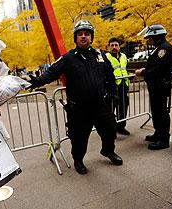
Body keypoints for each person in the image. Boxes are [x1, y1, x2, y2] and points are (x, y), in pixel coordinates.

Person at [28, 20, 123, 175]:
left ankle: (107, 151)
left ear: (91, 37)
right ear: (75, 38)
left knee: (111, 129)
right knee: (79, 139)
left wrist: (113, 93)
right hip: (79, 108)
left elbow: (110, 76)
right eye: (80, 34)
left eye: (87, 34)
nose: (83, 37)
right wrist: (36, 81)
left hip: (100, 105)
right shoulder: (68, 58)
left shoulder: (101, 55)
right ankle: (78, 160)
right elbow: (51, 73)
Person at [135, 24, 172, 150]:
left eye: (150, 38)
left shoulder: (165, 48)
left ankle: (163, 139)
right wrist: (145, 70)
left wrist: (143, 72)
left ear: (157, 37)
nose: (149, 40)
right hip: (155, 86)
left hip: (160, 86)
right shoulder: (159, 48)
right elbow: (154, 66)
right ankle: (158, 133)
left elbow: (158, 69)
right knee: (156, 111)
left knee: (162, 112)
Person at [105, 37, 130, 135]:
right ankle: (110, 130)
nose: (114, 47)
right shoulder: (105, 57)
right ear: (108, 47)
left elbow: (125, 68)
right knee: (110, 109)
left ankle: (121, 127)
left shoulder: (123, 56)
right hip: (112, 87)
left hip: (124, 85)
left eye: (116, 45)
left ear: (119, 47)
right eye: (112, 45)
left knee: (123, 107)